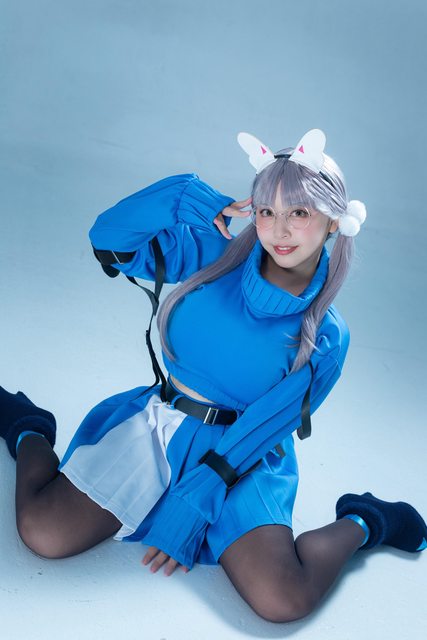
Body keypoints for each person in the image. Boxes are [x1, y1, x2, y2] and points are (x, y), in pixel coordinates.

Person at [1, 129, 426, 624]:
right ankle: (29, 428)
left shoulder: (326, 335)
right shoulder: (218, 254)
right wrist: (186, 197)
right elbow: (108, 240)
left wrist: (200, 495)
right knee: (44, 533)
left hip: (242, 454)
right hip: (159, 427)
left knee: (283, 600)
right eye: (266, 211)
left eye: (299, 213)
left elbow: (269, 423)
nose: (279, 230)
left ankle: (366, 519)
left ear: (334, 220)